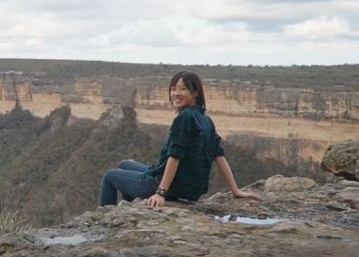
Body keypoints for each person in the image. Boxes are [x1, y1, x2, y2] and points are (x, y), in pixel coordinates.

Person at [99, 71, 258, 208]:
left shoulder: (184, 118)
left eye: (183, 89)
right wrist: (235, 190)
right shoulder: (206, 120)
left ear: (195, 93)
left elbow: (175, 156)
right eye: (173, 89)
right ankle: (134, 205)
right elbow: (219, 155)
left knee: (110, 176)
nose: (176, 93)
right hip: (190, 190)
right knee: (124, 164)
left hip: (171, 187)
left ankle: (104, 223)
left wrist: (161, 192)